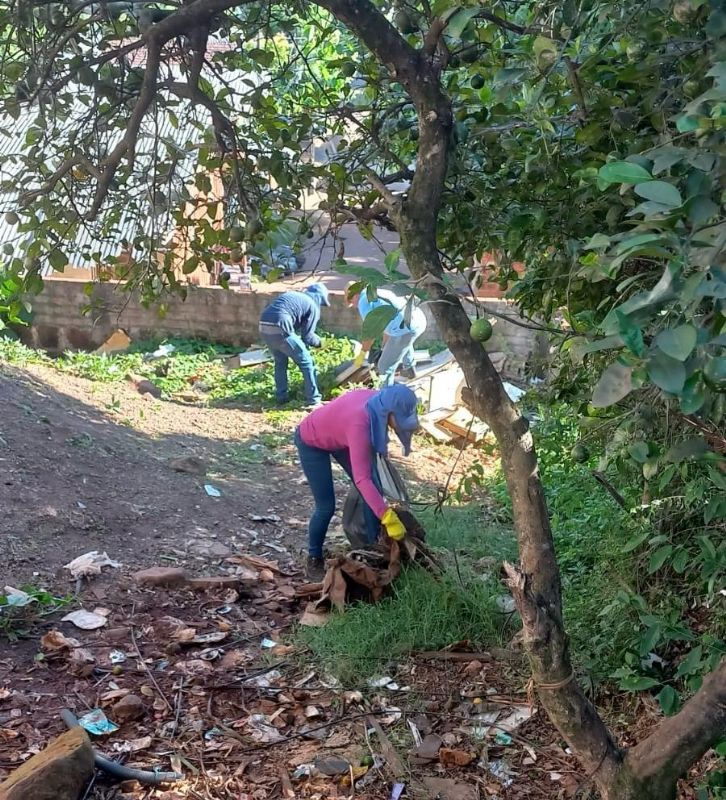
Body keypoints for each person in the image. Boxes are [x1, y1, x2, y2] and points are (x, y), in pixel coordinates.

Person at [294, 384, 419, 581]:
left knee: (374, 489)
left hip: (339, 434)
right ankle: (314, 557)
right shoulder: (360, 424)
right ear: (389, 412)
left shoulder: (379, 402)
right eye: (399, 420)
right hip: (311, 440)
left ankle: (372, 548)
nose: (399, 426)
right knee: (326, 506)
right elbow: (362, 479)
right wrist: (388, 517)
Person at [259, 283, 330, 408]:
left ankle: (281, 397)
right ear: (319, 298)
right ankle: (313, 400)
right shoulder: (312, 306)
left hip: (264, 325)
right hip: (281, 326)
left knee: (280, 362)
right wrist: (321, 343)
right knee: (307, 362)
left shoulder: (296, 297)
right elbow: (307, 337)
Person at [347, 284, 427, 384]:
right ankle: (409, 370)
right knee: (403, 342)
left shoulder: (363, 302)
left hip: (405, 328)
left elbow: (370, 332)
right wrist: (383, 348)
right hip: (418, 320)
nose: (354, 306)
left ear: (355, 296)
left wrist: (362, 354)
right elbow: (388, 326)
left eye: (351, 302)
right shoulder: (377, 291)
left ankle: (386, 395)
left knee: (384, 366)